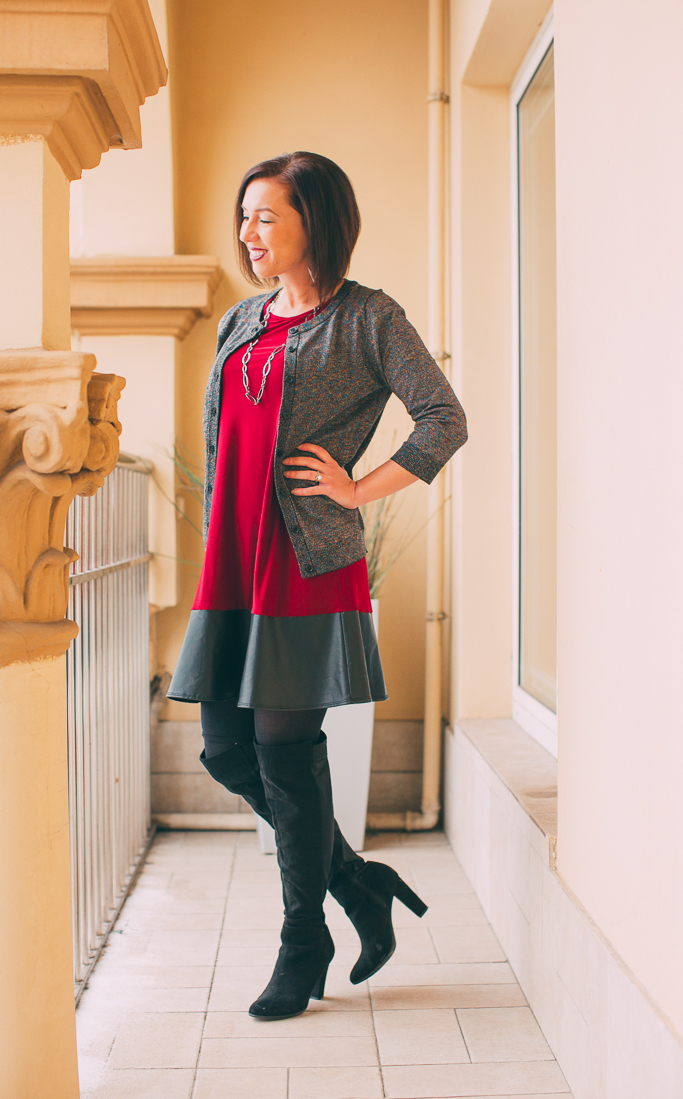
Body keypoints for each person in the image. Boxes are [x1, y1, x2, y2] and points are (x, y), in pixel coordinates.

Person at [168, 151, 467, 1021]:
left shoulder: (369, 318)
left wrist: (358, 488)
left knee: (284, 759)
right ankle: (359, 883)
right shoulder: (240, 319)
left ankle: (305, 942)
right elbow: (223, 435)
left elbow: (444, 416)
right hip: (233, 560)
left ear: (315, 223)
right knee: (226, 749)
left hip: (303, 563)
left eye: (267, 217)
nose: (247, 233)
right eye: (245, 216)